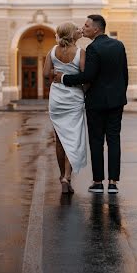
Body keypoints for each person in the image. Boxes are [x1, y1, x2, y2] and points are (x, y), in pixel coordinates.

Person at [53, 15, 128, 194]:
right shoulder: (119, 46)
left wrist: (63, 78)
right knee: (114, 140)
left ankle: (97, 182)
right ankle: (112, 183)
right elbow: (125, 75)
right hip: (117, 101)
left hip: (96, 103)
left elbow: (88, 77)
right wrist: (119, 95)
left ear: (96, 29)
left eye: (86, 26)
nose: (83, 28)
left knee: (96, 142)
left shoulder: (93, 48)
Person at [43, 22, 87, 194]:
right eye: (76, 28)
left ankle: (62, 174)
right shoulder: (80, 53)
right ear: (71, 34)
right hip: (74, 98)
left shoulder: (52, 51)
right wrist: (84, 91)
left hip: (57, 98)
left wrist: (53, 84)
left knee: (60, 139)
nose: (80, 30)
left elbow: (46, 75)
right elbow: (85, 77)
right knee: (74, 139)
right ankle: (66, 176)